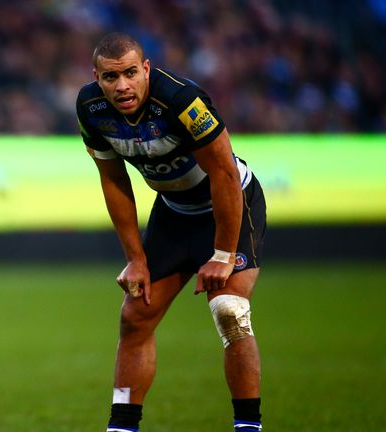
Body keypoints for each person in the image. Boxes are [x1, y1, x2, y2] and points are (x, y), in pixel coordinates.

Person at [76, 33, 266, 432]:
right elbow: (113, 182)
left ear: (146, 69)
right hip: (174, 212)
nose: (123, 86)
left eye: (131, 73)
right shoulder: (90, 108)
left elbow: (225, 175)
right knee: (135, 315)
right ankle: (122, 427)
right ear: (97, 78)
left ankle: (248, 427)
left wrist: (221, 254)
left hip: (228, 205)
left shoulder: (182, 101)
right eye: (111, 77)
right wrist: (135, 260)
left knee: (230, 312)